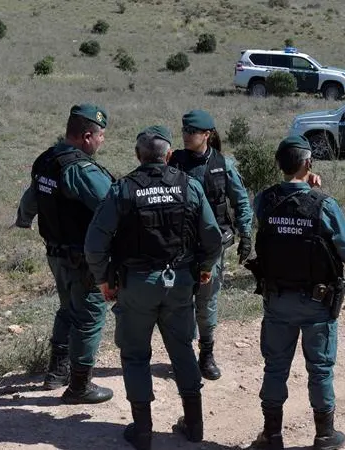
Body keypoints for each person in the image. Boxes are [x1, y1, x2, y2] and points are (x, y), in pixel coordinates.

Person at [85, 126, 223, 449]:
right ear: (170, 155)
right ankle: (195, 424)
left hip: (136, 286)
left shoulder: (123, 189)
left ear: (138, 156)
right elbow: (213, 238)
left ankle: (143, 431)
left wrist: (104, 279)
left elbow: (94, 243)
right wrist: (204, 270)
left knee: (134, 355)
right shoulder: (189, 186)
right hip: (179, 282)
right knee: (182, 350)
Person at [247, 135, 345, 450]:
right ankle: (325, 435)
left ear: (280, 165)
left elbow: (273, 219)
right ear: (308, 164)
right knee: (320, 368)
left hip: (277, 300)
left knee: (275, 367)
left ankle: (271, 436)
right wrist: (313, 191)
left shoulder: (264, 201)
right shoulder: (324, 204)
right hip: (317, 302)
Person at [12, 103, 114, 404]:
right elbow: (112, 205)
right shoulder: (79, 170)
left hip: (55, 253)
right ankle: (80, 387)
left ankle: (57, 371)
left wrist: (23, 219)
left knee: (68, 308)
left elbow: (32, 196)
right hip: (81, 258)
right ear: (86, 136)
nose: (102, 140)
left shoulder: (47, 159)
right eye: (100, 135)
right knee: (91, 314)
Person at [168, 109, 253, 381]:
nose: (186, 136)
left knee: (206, 302)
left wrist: (246, 234)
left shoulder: (222, 164)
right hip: (179, 246)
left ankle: (206, 353)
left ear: (207, 135)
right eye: (184, 131)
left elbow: (240, 202)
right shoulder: (174, 161)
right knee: (179, 301)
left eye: (191, 132)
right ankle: (183, 354)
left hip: (211, 248)